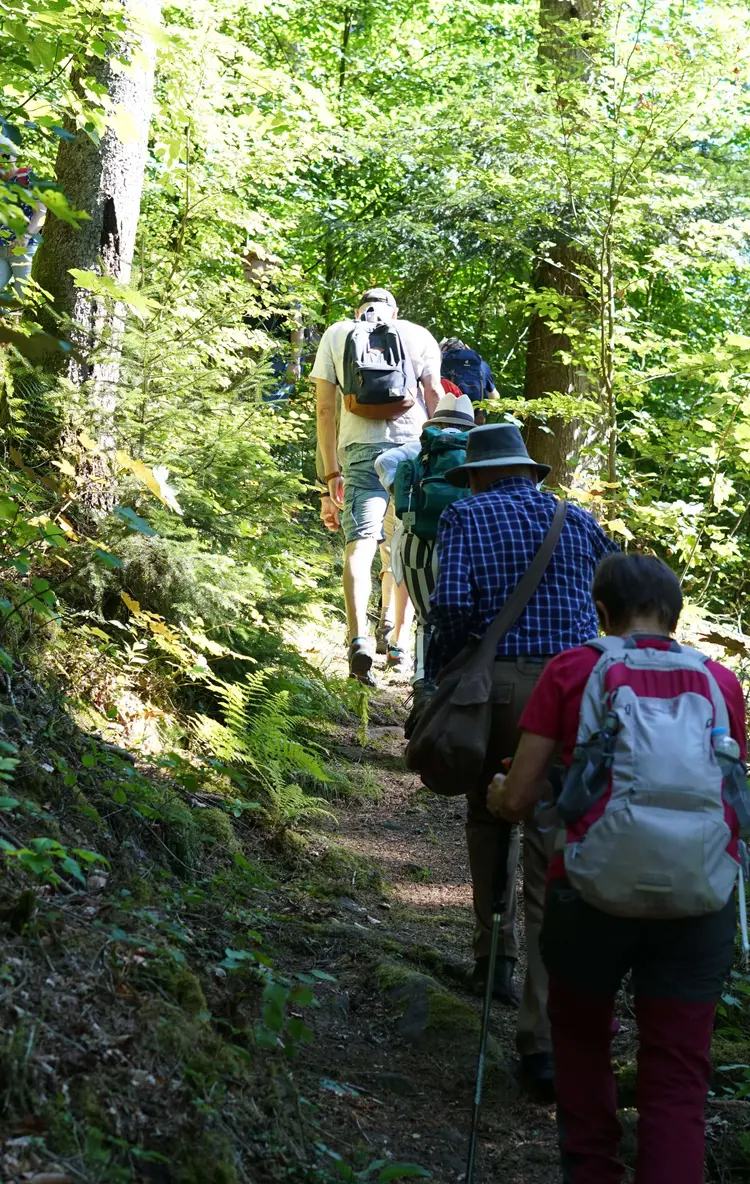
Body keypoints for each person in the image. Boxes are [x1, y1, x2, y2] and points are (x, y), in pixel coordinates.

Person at [488, 552, 745, 1184]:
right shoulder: (722, 682)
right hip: (701, 895)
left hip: (588, 893)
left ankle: (594, 1171)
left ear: (600, 612)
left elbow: (519, 798)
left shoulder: (574, 669)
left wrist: (497, 795)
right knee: (680, 1070)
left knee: (579, 1044)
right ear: (674, 616)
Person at [426, 421, 618, 1098]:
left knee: (487, 815)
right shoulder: (582, 520)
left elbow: (450, 604)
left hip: (494, 688)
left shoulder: (466, 514)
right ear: (531, 472)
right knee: (550, 856)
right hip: (572, 690)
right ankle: (541, 1044)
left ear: (477, 474)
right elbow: (610, 606)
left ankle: (490, 960)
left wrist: (452, 661)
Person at [312, 287, 444, 685]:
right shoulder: (417, 334)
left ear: (359, 311)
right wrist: (438, 451)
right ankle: (400, 641)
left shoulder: (338, 334)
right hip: (410, 449)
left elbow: (324, 408)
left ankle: (358, 638)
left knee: (361, 543)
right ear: (394, 310)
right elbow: (434, 393)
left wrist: (330, 475)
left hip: (358, 450)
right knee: (404, 542)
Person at [373, 383, 476, 728]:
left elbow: (383, 461)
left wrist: (401, 495)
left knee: (426, 619)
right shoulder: (478, 452)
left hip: (418, 547)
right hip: (464, 546)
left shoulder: (420, 450)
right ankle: (457, 698)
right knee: (465, 619)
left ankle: (423, 693)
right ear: (469, 426)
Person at [0, 158, 46, 301]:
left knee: (25, 300)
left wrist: (25, 236)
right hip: (1, 250)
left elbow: (42, 212)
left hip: (24, 250)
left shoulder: (26, 177)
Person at [440, 337, 497, 425]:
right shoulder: (482, 365)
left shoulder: (441, 362)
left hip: (450, 418)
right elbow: (494, 397)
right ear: (465, 347)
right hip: (476, 420)